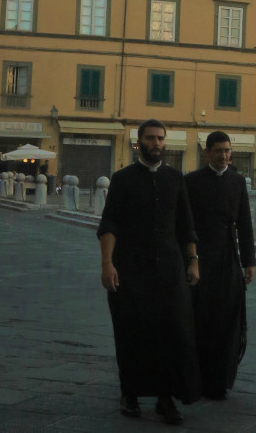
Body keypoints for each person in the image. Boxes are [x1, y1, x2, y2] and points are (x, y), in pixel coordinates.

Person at [97, 119, 201, 425]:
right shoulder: (122, 179)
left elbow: (186, 225)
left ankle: (165, 399)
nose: (156, 143)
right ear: (138, 142)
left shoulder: (175, 179)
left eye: (160, 139)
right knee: (131, 331)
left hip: (169, 269)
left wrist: (193, 260)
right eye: (150, 138)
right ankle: (129, 393)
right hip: (130, 268)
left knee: (172, 333)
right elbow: (109, 224)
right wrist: (107, 264)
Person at [185, 131, 255, 400]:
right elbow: (185, 222)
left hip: (228, 257)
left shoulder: (237, 182)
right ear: (207, 152)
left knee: (228, 319)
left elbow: (245, 225)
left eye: (227, 151)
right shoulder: (191, 182)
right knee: (201, 319)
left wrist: (249, 261)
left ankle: (220, 379)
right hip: (199, 255)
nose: (224, 156)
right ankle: (198, 377)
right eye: (219, 151)